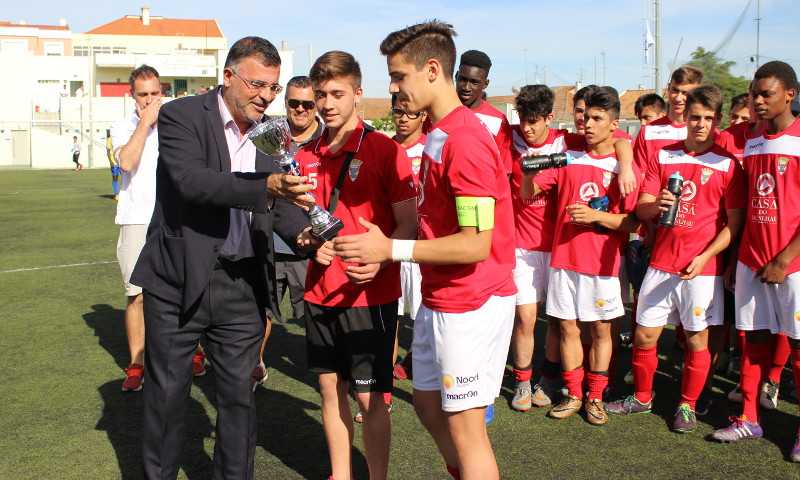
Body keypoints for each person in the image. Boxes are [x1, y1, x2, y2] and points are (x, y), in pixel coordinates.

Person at [335, 20, 517, 480]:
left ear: (432, 70)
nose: (394, 89)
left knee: (466, 431)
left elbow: (476, 244)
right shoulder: (440, 133)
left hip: (471, 301)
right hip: (441, 297)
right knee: (426, 405)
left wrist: (391, 249)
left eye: (399, 77)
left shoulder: (467, 140)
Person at [130, 37, 315, 478]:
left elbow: (284, 201)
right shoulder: (181, 115)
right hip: (178, 283)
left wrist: (305, 233)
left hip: (242, 283)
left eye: (272, 88)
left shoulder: (272, 130)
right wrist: (264, 189)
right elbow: (193, 182)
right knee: (168, 397)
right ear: (228, 76)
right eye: (257, 84)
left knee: (238, 399)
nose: (266, 96)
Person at [295, 51, 417, 480]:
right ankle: (341, 474)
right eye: (321, 94)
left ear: (358, 94)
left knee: (371, 399)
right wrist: (308, 243)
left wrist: (381, 258)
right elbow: (304, 223)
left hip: (370, 295)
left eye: (337, 93)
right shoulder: (302, 155)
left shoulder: (385, 150)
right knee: (330, 389)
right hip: (319, 291)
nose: (327, 103)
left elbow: (409, 226)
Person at [605, 84, 746, 433]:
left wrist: (706, 257)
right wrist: (657, 206)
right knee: (644, 336)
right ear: (685, 116)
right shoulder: (664, 154)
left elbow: (735, 225)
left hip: (702, 270)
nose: (700, 124)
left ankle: (687, 406)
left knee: (697, 341)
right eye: (694, 116)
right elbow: (642, 205)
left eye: (708, 118)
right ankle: (641, 397)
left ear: (717, 120)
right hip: (661, 263)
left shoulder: (728, 164)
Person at [521, 88, 641, 426]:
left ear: (614, 124)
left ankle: (596, 396)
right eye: (585, 117)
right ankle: (573, 393)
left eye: (596, 119)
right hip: (563, 261)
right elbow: (529, 195)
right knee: (568, 329)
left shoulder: (623, 165)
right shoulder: (568, 156)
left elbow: (633, 222)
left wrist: (597, 217)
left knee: (602, 332)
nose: (586, 124)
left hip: (601, 265)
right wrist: (528, 178)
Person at [711, 61, 800, 463]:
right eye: (754, 94)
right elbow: (745, 207)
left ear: (790, 95)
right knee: (753, 339)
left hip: (792, 264)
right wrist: (734, 259)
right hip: (751, 258)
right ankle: (749, 417)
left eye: (766, 94)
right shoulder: (751, 142)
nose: (757, 101)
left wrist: (785, 257)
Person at [252, 75, 324, 390]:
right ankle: (252, 369)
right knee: (256, 315)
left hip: (310, 246)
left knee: (319, 320)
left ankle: (331, 381)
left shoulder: (329, 140)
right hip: (266, 243)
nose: (300, 109)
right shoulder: (267, 137)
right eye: (293, 103)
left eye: (307, 104)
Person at [455, 49, 513, 174]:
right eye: (463, 79)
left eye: (474, 82)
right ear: (456, 76)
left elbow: (504, 171)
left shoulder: (498, 121)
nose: (466, 87)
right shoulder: (438, 112)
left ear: (485, 84)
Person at [106, 129, 120, 200]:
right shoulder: (109, 140)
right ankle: (116, 194)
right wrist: (111, 161)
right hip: (114, 162)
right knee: (115, 178)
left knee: (126, 177)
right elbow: (108, 151)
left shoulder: (120, 137)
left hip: (121, 160)